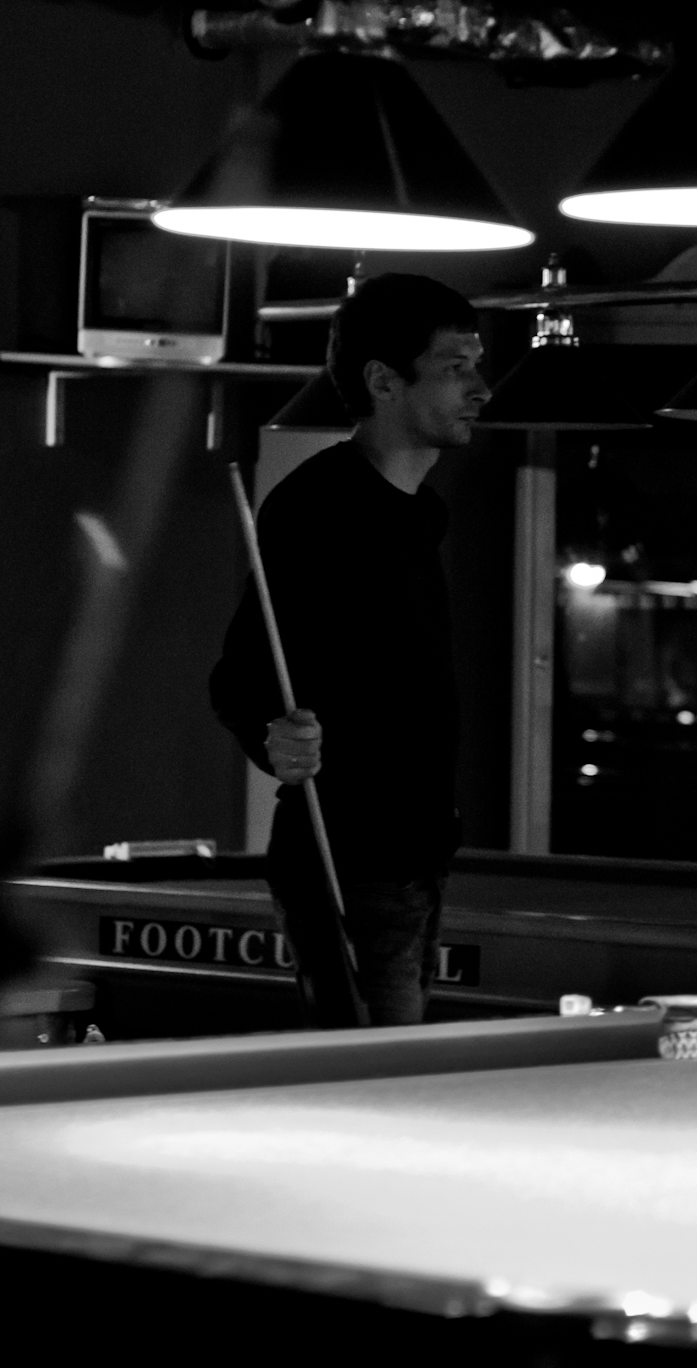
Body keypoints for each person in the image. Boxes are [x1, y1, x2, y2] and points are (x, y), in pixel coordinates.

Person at [209, 274, 489, 1026]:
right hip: (350, 861)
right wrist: (273, 738)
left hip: (416, 859)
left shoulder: (422, 513)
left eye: (476, 366)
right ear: (383, 381)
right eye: (455, 368)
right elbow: (239, 676)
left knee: (392, 1078)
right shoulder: (321, 508)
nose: (481, 389)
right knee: (378, 1082)